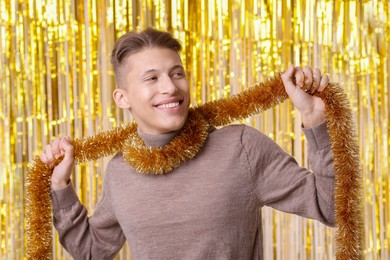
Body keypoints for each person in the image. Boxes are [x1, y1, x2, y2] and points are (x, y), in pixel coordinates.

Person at [41, 28, 334, 259]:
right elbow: (92, 252)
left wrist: (314, 118)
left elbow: (332, 206)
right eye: (151, 78)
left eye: (177, 73)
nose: (170, 87)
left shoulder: (241, 147)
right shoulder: (120, 172)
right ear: (123, 98)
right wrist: (60, 187)